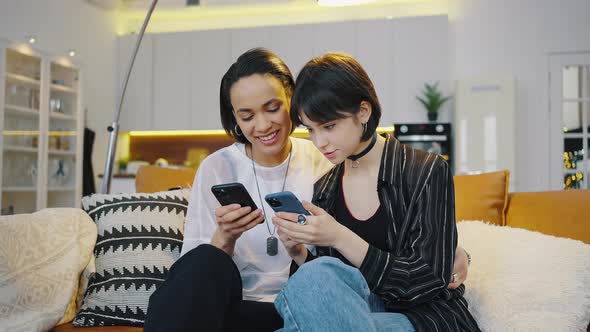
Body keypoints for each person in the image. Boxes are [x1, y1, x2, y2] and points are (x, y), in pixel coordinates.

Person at [144, 48, 470, 332]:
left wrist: (455, 250)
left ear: (291, 100)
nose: (262, 125)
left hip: (347, 305)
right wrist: (238, 240)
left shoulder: (337, 162)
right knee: (206, 263)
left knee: (317, 280)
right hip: (268, 304)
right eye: (246, 116)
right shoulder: (226, 168)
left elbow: (408, 262)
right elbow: (195, 279)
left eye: (272, 109)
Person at [271, 53, 480, 331]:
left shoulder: (426, 171)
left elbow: (427, 281)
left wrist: (339, 236)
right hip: (356, 314)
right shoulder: (325, 188)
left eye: (329, 126)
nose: (319, 141)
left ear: (363, 112)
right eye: (310, 130)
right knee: (313, 277)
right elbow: (328, 291)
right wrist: (299, 254)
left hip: (423, 316)